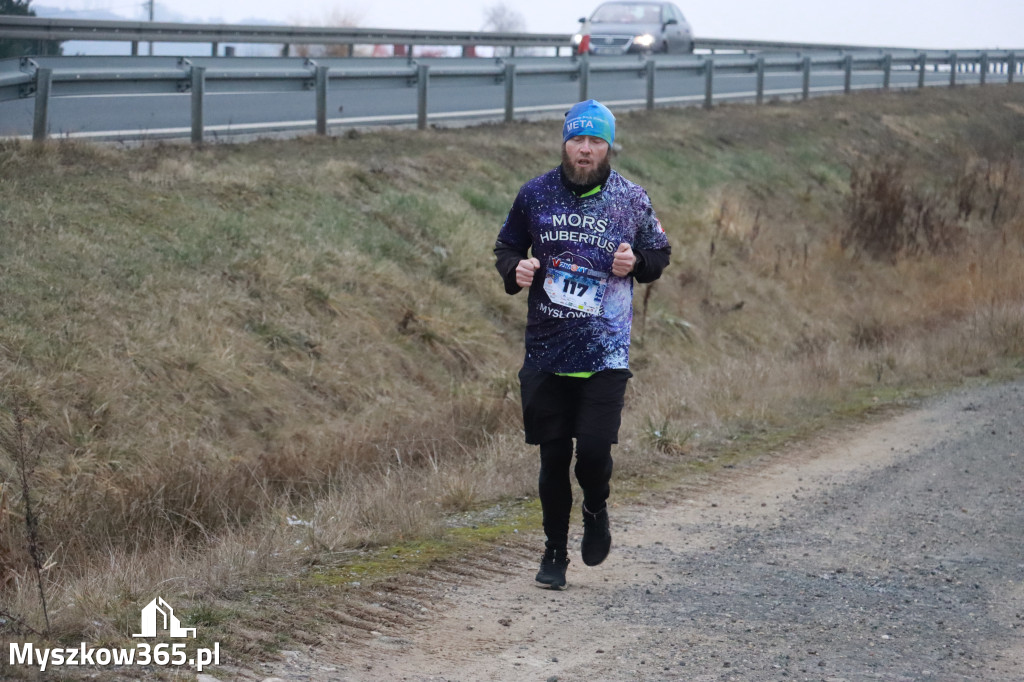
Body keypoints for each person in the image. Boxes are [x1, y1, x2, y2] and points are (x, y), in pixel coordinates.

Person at [494, 100, 672, 590]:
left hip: (605, 354)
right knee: (553, 460)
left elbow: (660, 253)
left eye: (596, 141)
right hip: (547, 354)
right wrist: (516, 269)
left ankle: (596, 507)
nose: (586, 150)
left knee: (592, 452)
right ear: (565, 143)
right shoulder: (534, 194)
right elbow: (507, 245)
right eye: (578, 140)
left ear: (609, 146)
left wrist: (635, 262)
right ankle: (554, 553)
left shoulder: (631, 198)